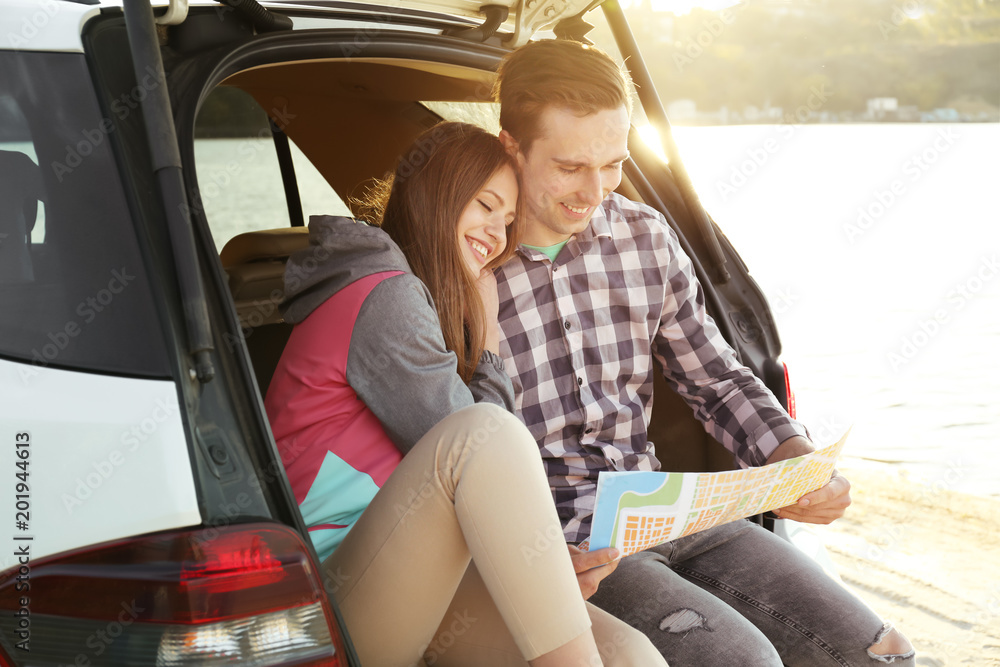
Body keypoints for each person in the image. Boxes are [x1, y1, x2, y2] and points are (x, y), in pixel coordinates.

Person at [492, 39, 916, 666]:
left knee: (880, 652)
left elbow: (716, 378)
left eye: (613, 163)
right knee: (743, 661)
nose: (596, 190)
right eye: (570, 167)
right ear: (511, 146)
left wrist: (794, 465)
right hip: (564, 546)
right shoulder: (464, 262)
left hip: (667, 508)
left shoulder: (644, 235)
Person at [264, 122, 666, 666]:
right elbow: (478, 449)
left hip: (402, 568)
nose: (497, 235)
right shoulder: (384, 294)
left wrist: (538, 568)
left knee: (630, 655)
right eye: (485, 205)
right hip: (323, 592)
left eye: (508, 221)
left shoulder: (414, 297)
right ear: (438, 193)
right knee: (486, 432)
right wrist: (490, 330)